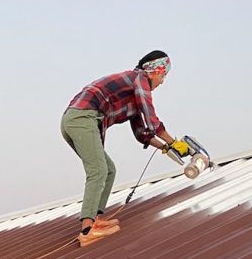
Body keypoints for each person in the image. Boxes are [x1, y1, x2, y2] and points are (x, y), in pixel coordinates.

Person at [61, 50, 190, 247]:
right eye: (163, 76)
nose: (162, 82)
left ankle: (96, 219)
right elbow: (151, 119)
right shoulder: (139, 79)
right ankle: (87, 230)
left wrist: (166, 148)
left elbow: (143, 133)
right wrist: (174, 142)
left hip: (79, 121)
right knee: (98, 170)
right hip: (81, 119)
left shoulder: (134, 92)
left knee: (109, 170)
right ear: (155, 71)